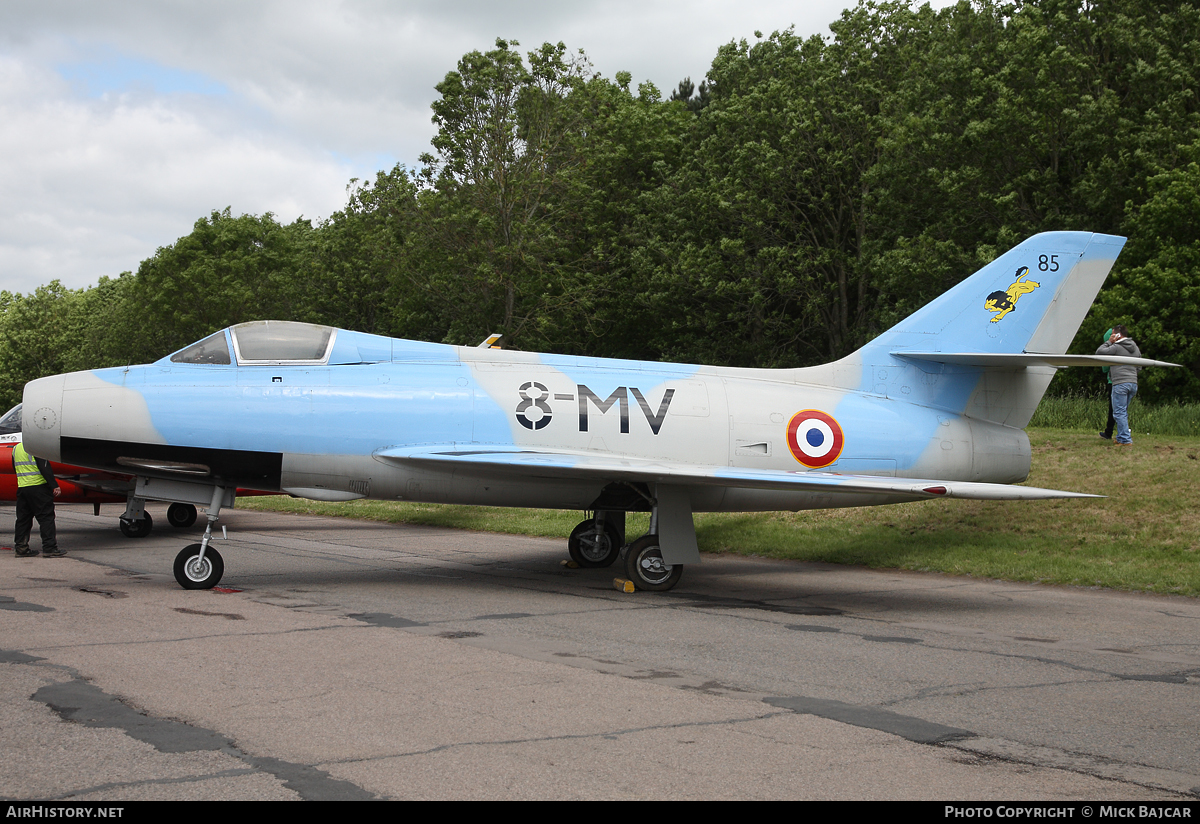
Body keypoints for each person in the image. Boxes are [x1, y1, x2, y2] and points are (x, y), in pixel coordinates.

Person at [12, 440, 63, 557]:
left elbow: (15, 468)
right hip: (39, 488)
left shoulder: (16, 448)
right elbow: (44, 467)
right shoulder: (36, 446)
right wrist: (54, 485)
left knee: (23, 519)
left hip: (23, 488)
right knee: (46, 517)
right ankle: (49, 548)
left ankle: (21, 548)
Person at [1096, 325, 1141, 446]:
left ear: (1117, 335)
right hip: (1133, 383)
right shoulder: (1135, 347)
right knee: (1122, 412)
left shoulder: (1116, 347)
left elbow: (1099, 352)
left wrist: (1109, 342)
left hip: (1120, 383)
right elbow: (1139, 366)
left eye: (1112, 334)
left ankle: (1126, 440)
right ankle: (1121, 437)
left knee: (1118, 413)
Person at [1099, 328, 1116, 440]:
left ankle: (1109, 432)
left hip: (1113, 382)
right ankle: (1122, 432)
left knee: (1113, 409)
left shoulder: (1111, 349)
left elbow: (1105, 369)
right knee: (1120, 409)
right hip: (1126, 380)